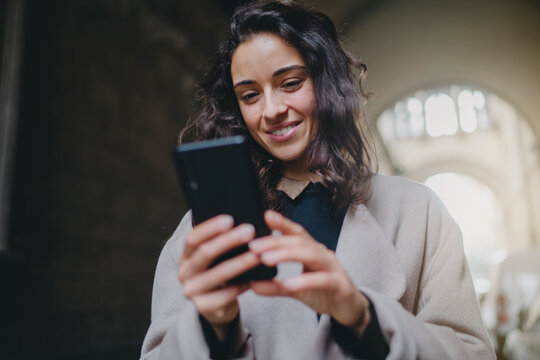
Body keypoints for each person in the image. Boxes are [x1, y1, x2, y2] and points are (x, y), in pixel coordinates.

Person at [141, 1, 495, 359]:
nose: (272, 110)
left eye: (290, 83)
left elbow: (471, 352)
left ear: (327, 82)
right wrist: (211, 326)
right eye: (250, 95)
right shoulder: (203, 233)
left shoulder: (420, 213)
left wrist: (362, 316)